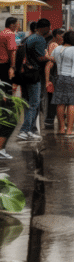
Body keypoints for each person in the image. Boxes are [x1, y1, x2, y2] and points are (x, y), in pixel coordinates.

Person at [17, 18, 52, 141]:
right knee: (34, 103)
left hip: (23, 74)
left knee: (27, 103)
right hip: (33, 74)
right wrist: (50, 58)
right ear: (45, 27)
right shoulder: (40, 39)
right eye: (49, 27)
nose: (50, 30)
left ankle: (31, 129)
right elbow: (40, 58)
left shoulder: (27, 38)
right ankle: (24, 130)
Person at [51, 31, 74, 137]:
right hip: (72, 77)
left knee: (60, 103)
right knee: (72, 103)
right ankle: (69, 130)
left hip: (59, 77)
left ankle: (62, 129)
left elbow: (52, 58)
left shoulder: (57, 48)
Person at [0, 17, 19, 158]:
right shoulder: (10, 34)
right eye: (17, 24)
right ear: (12, 25)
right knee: (8, 104)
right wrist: (13, 67)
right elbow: (12, 52)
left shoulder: (1, 33)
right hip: (5, 67)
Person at [43, 29, 64, 129]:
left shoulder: (52, 44)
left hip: (53, 77)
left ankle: (50, 119)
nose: (63, 38)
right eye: (61, 35)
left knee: (53, 99)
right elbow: (49, 64)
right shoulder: (54, 45)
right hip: (54, 77)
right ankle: (50, 119)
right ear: (56, 36)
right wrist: (47, 81)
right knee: (54, 99)